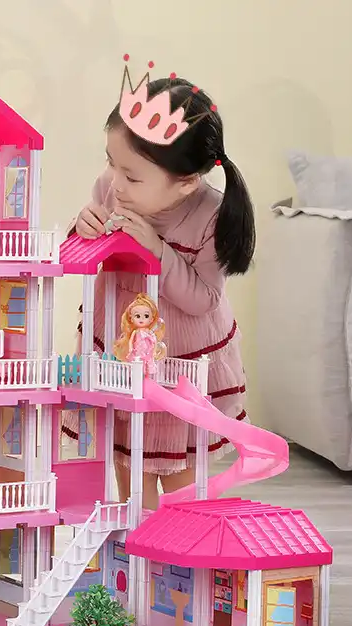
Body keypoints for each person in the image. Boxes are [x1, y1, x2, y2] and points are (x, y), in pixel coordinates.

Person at [64, 76, 255, 510]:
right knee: (129, 461)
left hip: (181, 359)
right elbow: (88, 247)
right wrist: (83, 227)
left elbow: (204, 299)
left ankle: (182, 542)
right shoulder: (111, 189)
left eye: (131, 175)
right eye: (111, 163)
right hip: (121, 347)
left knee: (182, 480)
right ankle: (135, 539)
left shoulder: (210, 215)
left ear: (186, 182)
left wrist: (158, 251)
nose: (115, 183)